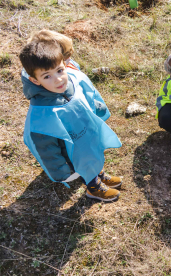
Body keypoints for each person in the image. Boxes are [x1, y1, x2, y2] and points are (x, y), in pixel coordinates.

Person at [19, 39, 122, 201]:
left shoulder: (72, 82)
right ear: (35, 80)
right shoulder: (42, 114)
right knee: (83, 165)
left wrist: (98, 110)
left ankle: (97, 172)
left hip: (86, 135)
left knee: (92, 155)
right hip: (71, 151)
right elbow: (46, 147)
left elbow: (85, 98)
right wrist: (60, 170)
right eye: (47, 76)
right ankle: (93, 187)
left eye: (59, 71)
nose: (58, 80)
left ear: (65, 65)